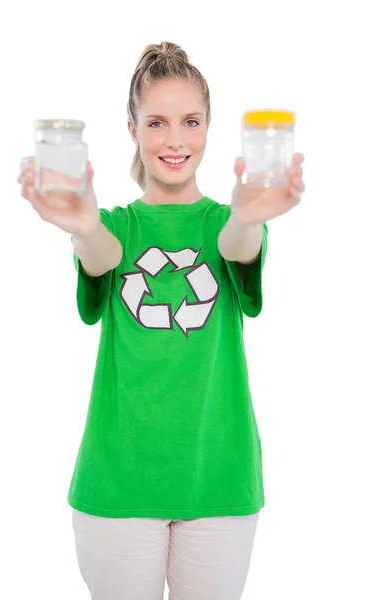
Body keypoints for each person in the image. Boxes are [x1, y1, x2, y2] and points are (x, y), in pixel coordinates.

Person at [17, 41, 305, 600]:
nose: (175, 140)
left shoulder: (231, 220)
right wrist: (79, 224)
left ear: (208, 128)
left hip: (218, 482)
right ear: (132, 129)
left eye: (190, 122)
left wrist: (248, 215)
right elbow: (98, 254)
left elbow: (238, 244)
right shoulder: (114, 227)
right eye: (157, 122)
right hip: (118, 487)